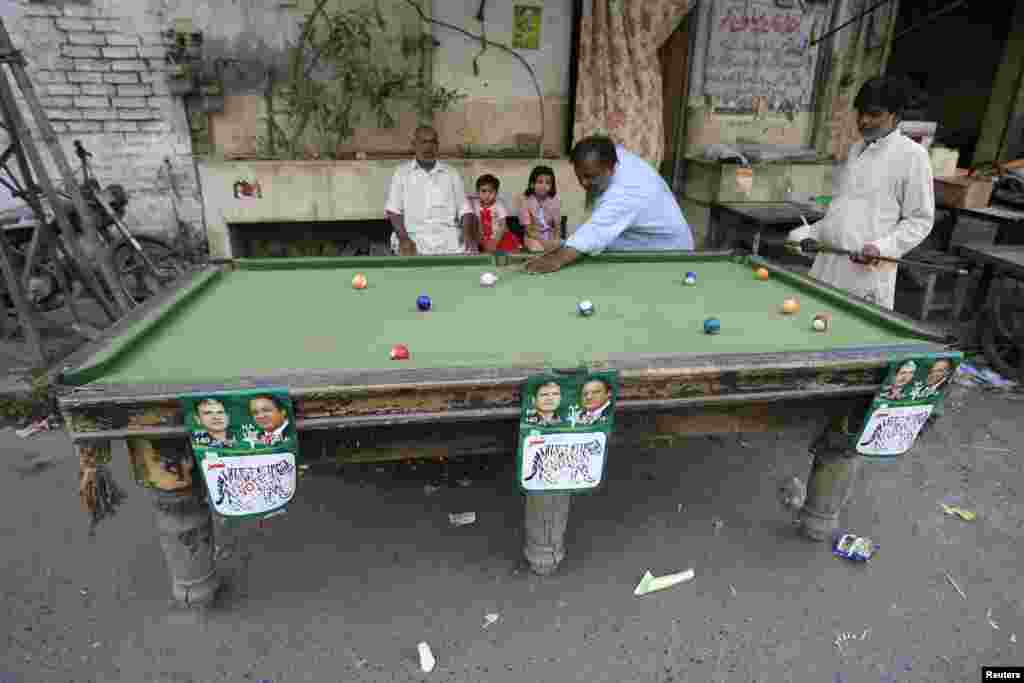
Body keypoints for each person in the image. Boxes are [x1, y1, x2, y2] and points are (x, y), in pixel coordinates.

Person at [787, 76, 935, 310]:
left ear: (895, 116)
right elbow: (845, 211)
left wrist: (881, 248)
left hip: (865, 276)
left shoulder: (913, 156)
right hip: (827, 267)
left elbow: (920, 220)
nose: (864, 121)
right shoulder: (857, 149)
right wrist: (811, 234)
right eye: (861, 113)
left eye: (874, 114)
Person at [523, 135, 693, 274]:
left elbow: (595, 231)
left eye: (589, 177)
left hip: (668, 255)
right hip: (639, 242)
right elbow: (597, 227)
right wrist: (567, 244)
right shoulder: (612, 155)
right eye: (579, 176)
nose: (583, 183)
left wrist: (554, 259)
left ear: (610, 169)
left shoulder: (626, 191)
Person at [385, 126, 474, 256]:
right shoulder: (401, 173)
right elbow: (393, 210)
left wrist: (467, 236)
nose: (428, 147)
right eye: (423, 142)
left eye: (432, 142)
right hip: (414, 237)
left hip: (448, 239)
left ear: (437, 145)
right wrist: (404, 239)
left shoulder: (451, 173)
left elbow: (464, 210)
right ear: (414, 145)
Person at [464, 174, 521, 254]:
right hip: (482, 236)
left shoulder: (499, 205)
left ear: (496, 193)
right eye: (483, 191)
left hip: (498, 235)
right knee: (475, 243)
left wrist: (495, 240)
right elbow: (467, 199)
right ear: (477, 192)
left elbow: (503, 225)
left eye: (491, 192)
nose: (487, 195)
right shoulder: (476, 204)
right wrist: (481, 238)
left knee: (508, 248)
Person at [520, 165, 562, 250]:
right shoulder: (525, 201)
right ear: (532, 184)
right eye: (540, 182)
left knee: (562, 247)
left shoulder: (555, 200)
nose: (544, 186)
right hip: (533, 237)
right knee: (538, 248)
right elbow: (528, 230)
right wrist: (543, 241)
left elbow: (557, 226)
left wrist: (556, 240)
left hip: (550, 235)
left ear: (551, 186)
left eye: (548, 183)